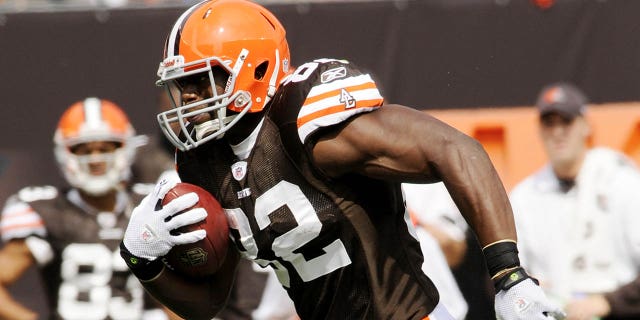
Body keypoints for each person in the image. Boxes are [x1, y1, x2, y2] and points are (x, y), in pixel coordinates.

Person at [118, 1, 564, 319]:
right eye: (183, 86)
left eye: (201, 80)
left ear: (253, 70)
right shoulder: (203, 164)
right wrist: (143, 261)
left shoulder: (306, 121)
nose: (189, 98)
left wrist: (509, 276)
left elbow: (457, 150)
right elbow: (211, 301)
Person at [0, 97, 174, 320]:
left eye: (105, 147)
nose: (95, 159)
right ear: (65, 153)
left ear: (125, 148)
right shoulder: (48, 211)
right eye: (83, 150)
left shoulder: (148, 206)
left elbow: (174, 295)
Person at [510, 82, 640, 320]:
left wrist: (607, 302)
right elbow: (508, 274)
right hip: (552, 312)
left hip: (619, 310)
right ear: (539, 131)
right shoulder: (524, 197)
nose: (558, 132)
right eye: (549, 124)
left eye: (566, 122)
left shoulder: (621, 181)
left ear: (585, 126)